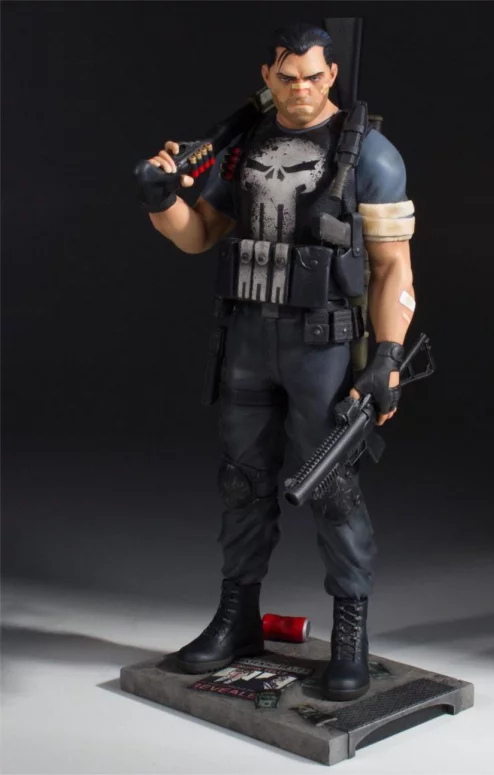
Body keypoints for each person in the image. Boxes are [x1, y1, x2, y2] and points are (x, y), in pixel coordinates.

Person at [137, 22, 416, 702]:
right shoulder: (245, 147)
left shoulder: (370, 154)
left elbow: (392, 268)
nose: (301, 90)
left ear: (332, 75)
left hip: (323, 345)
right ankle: (237, 617)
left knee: (332, 486)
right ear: (267, 77)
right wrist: (160, 197)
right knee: (242, 482)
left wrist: (386, 357)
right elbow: (200, 235)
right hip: (247, 338)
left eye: (314, 77)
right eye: (287, 78)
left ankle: (349, 632)